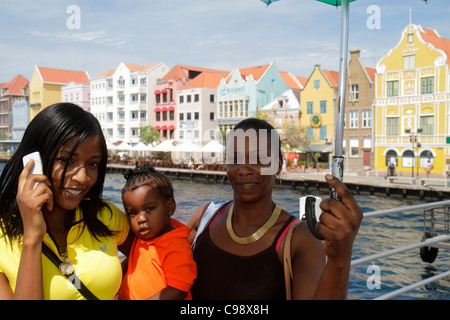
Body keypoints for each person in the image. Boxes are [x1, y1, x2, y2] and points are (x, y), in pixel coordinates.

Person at [188, 118, 363, 300]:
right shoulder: (206, 217)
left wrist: (339, 260)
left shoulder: (300, 239)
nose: (244, 169)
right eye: (235, 158)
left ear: (279, 164)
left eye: (259, 159)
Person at [0, 103, 133, 300]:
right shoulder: (3, 238)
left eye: (93, 164)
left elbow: (160, 250)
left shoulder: (105, 215)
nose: (82, 177)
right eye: (66, 160)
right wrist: (32, 238)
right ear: (35, 160)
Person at [118, 163, 196, 300]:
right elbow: (132, 262)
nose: (140, 219)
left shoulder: (176, 245)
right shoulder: (142, 238)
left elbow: (178, 289)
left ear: (170, 207)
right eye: (132, 213)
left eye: (149, 209)